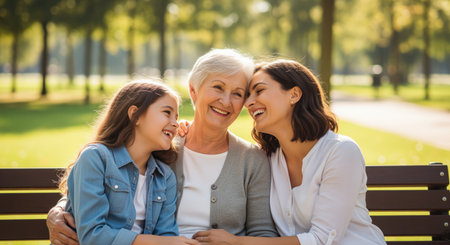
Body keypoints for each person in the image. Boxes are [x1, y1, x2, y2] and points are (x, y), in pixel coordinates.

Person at [46, 49, 278, 244]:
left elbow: (262, 234)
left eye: (237, 94)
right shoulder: (162, 147)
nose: (226, 101)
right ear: (194, 90)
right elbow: (106, 179)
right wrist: (60, 209)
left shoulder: (251, 160)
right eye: (218, 87)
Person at [192, 59, 386, 245]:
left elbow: (323, 240)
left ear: (294, 95)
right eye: (247, 95)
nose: (248, 103)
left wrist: (237, 242)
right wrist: (188, 130)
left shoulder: (340, 152)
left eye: (259, 91)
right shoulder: (268, 158)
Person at [56, 80, 199, 245]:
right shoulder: (96, 159)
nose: (175, 123)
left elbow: (167, 235)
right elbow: (92, 236)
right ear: (135, 115)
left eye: (176, 117)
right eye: (167, 112)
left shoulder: (165, 176)